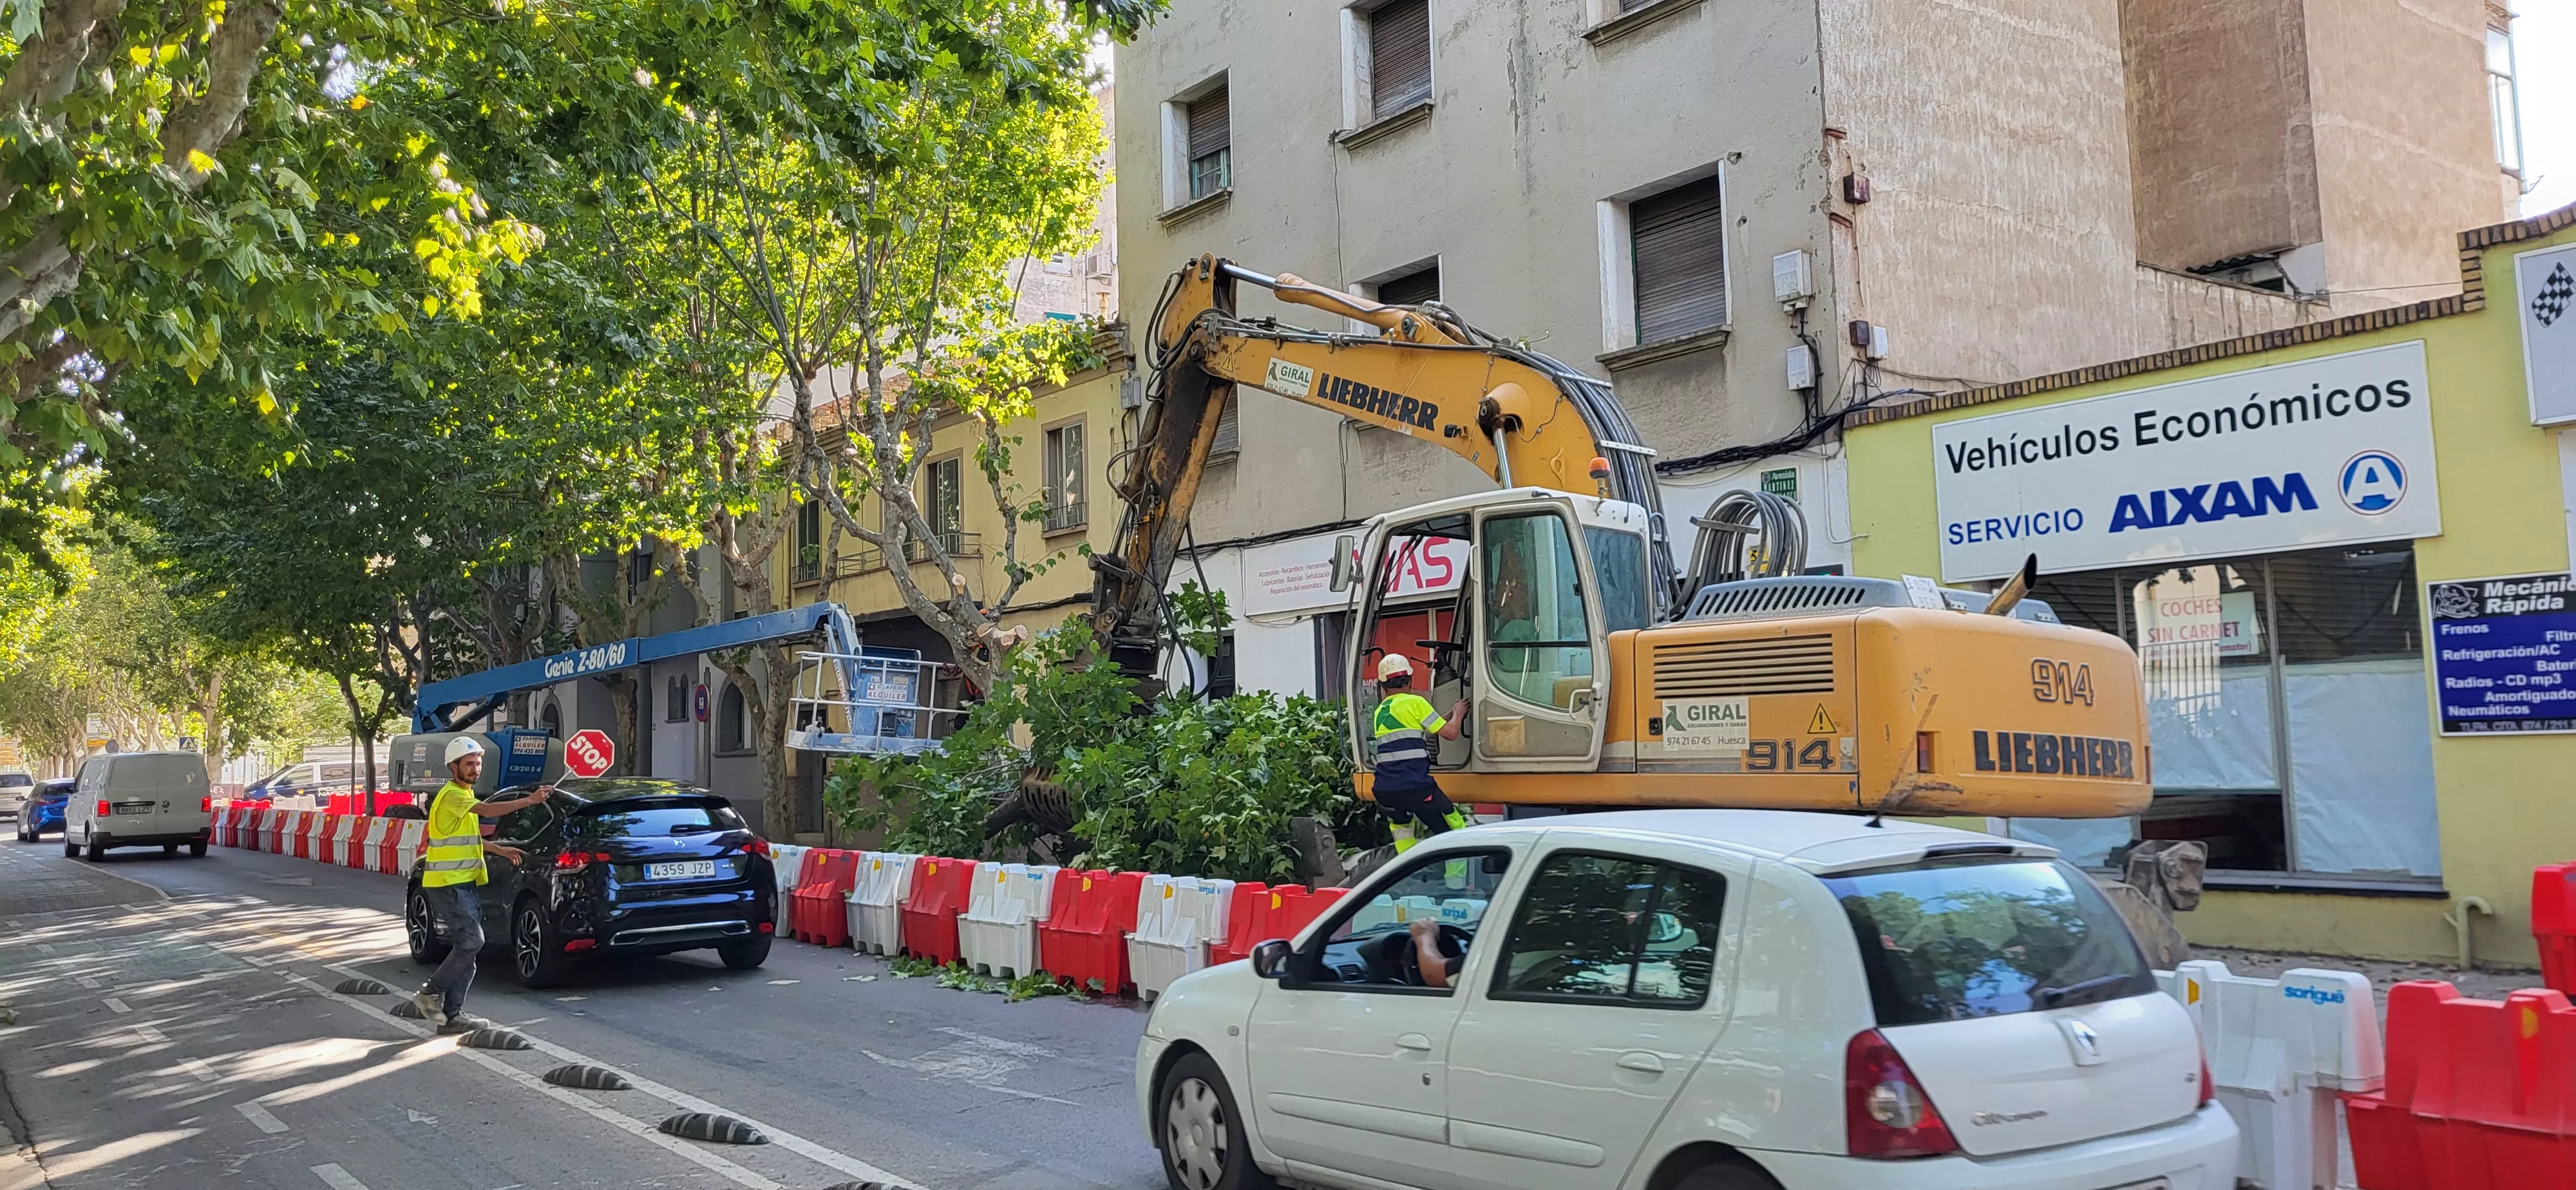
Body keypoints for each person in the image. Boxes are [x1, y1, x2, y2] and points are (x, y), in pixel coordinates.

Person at [412, 737, 553, 1030]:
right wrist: (530, 800)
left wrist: (499, 849)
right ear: (454, 767)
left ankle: (452, 1016)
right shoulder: (453, 795)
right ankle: (430, 993)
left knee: (469, 951)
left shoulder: (462, 796)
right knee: (472, 942)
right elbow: (487, 811)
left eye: (478, 763)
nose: (475, 768)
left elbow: (468, 839)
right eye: (469, 764)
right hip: (448, 883)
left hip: (463, 881)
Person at [1368, 653, 1468, 853]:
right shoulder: (1416, 703)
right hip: (1416, 786)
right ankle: (1457, 881)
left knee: (1403, 832)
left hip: (1385, 790)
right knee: (1453, 830)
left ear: (1382, 686)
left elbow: (1417, 734)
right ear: (1410, 680)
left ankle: (1406, 876)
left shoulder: (1381, 711)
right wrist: (1458, 714)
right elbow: (1450, 734)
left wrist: (1445, 716)